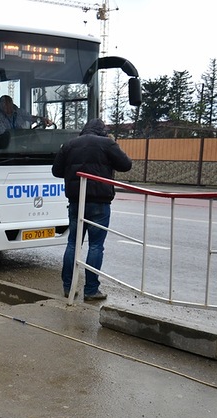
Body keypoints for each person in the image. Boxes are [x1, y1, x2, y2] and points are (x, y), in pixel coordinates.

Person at [52, 118, 132, 301]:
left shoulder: (70, 144)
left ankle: (68, 286)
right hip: (99, 202)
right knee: (96, 245)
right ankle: (91, 290)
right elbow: (126, 165)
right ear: (102, 130)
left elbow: (56, 171)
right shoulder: (107, 143)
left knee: (73, 243)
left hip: (76, 201)